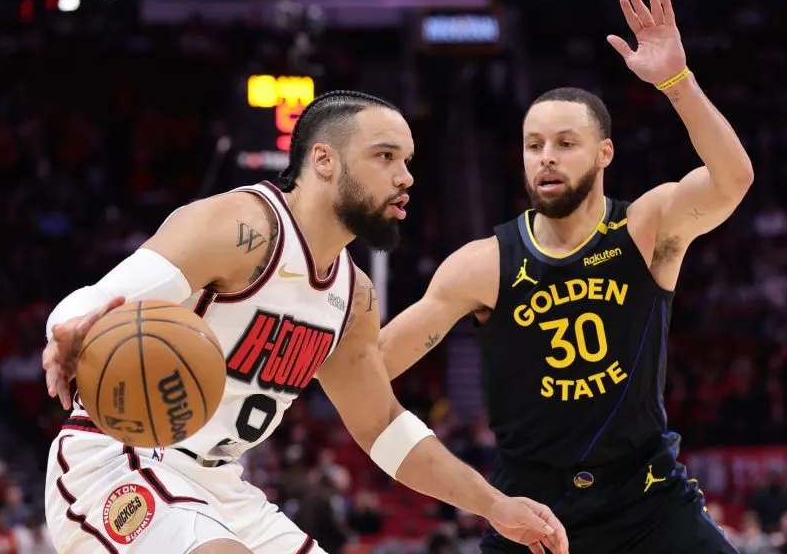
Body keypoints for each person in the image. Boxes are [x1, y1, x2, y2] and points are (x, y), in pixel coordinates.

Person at [41, 90, 569, 554]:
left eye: (407, 160)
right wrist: (68, 331)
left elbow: (385, 428)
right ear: (323, 160)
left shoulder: (353, 297)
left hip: (220, 488)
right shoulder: (242, 226)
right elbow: (95, 302)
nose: (405, 177)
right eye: (384, 156)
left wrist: (495, 505)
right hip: (118, 459)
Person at [380, 0, 752, 553]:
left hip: (647, 500)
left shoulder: (645, 231)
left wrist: (679, 83)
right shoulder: (483, 264)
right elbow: (373, 365)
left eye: (565, 142)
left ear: (604, 154)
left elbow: (733, 180)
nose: (546, 156)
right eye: (534, 145)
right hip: (532, 512)